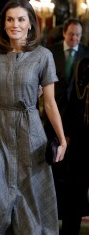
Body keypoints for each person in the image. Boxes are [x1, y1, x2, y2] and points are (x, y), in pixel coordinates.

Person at [0, 0, 67, 234]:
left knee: (31, 200)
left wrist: (62, 140)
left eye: (21, 19)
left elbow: (50, 103)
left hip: (31, 132)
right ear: (3, 24)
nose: (15, 24)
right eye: (10, 19)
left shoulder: (44, 56)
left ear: (31, 23)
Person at [44, 18, 89, 223]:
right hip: (54, 118)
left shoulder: (86, 54)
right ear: (64, 33)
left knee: (75, 176)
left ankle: (72, 219)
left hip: (79, 124)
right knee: (52, 171)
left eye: (78, 36)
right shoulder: (50, 52)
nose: (74, 38)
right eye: (71, 34)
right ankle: (51, 216)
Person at [60, 57, 89, 235]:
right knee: (75, 187)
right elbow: (72, 100)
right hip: (81, 137)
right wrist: (67, 134)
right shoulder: (83, 65)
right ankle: (70, 229)